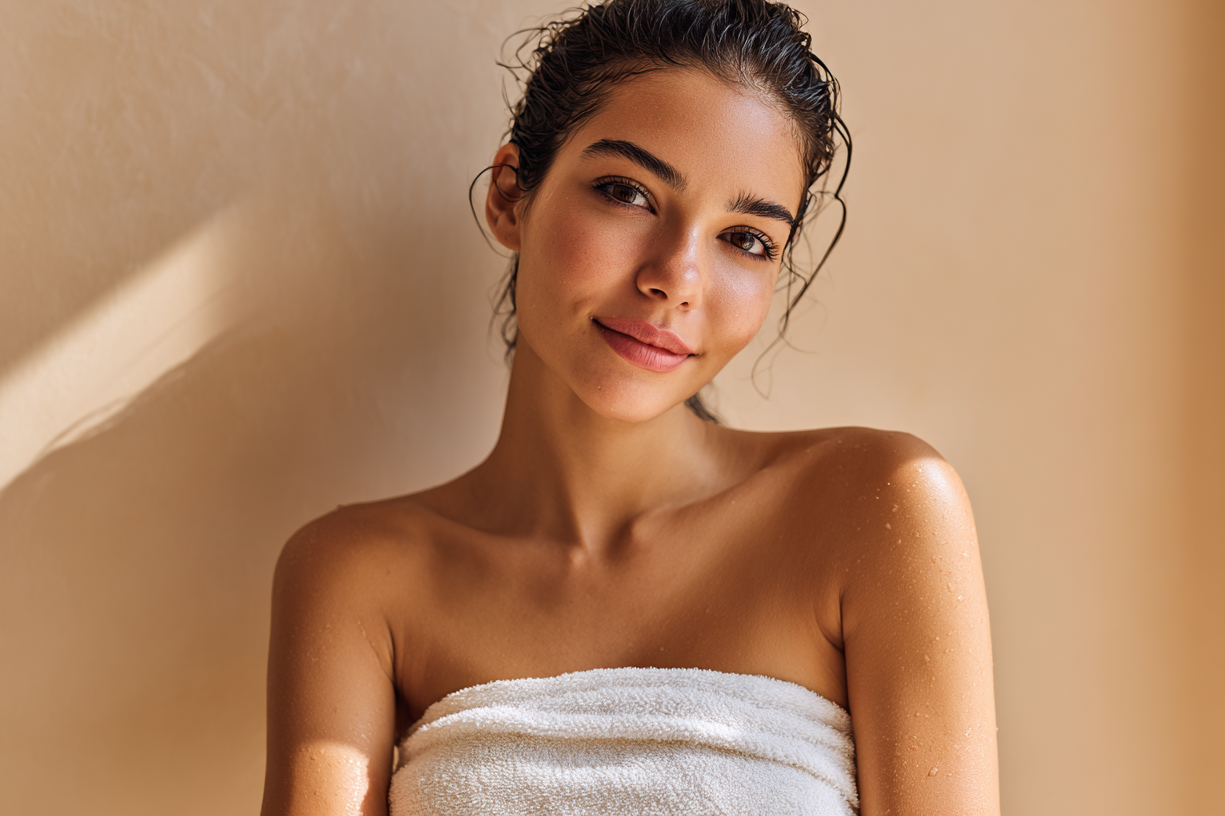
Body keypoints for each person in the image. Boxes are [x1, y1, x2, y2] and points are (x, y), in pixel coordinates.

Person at [259, 1, 999, 813]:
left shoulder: (878, 507)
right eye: (628, 193)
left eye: (744, 238)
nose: (675, 277)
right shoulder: (359, 577)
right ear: (510, 196)